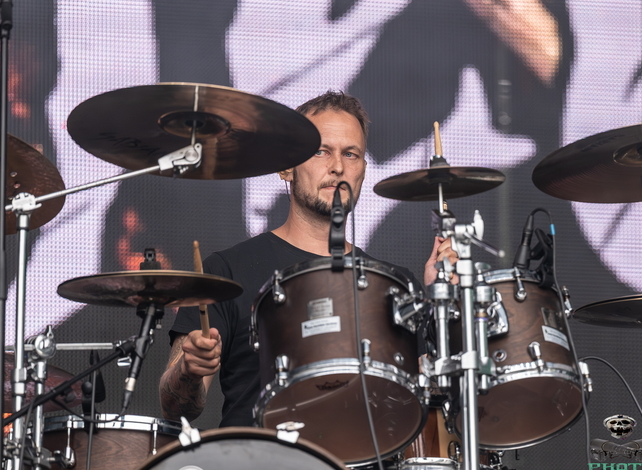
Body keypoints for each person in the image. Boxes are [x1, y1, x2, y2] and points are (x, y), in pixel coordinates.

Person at [159, 91, 458, 426]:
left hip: (368, 461)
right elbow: (176, 408)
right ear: (286, 168)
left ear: (363, 170)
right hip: (258, 458)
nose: (338, 166)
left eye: (351, 154)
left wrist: (444, 308)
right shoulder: (226, 272)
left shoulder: (397, 286)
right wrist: (188, 371)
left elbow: (437, 411)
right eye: (321, 151)